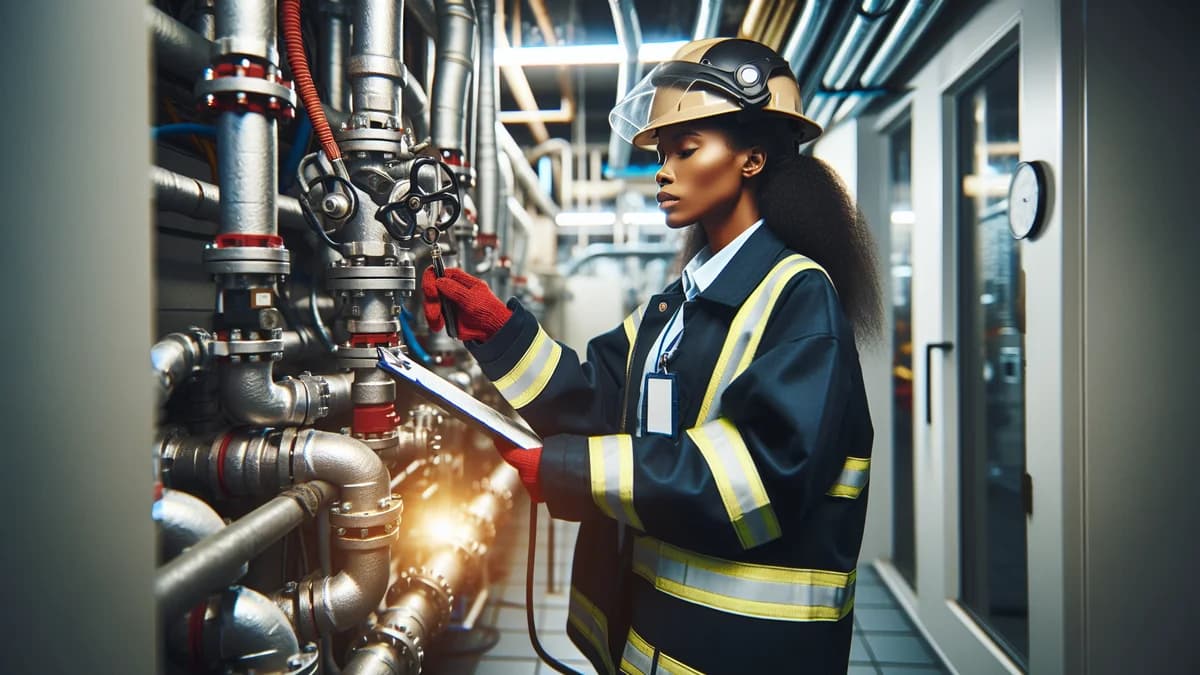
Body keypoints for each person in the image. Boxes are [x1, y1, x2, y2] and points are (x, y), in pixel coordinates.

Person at [423, 37, 881, 675]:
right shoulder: (680, 302)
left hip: (744, 650)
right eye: (662, 152)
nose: (663, 171)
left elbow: (756, 479)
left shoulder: (798, 296)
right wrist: (497, 331)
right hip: (654, 640)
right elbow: (594, 399)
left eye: (686, 149)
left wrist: (572, 470)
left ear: (752, 158)